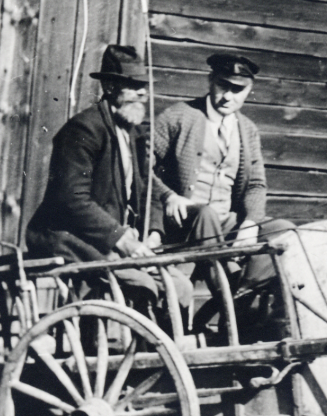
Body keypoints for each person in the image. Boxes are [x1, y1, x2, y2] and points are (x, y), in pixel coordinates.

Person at [25, 45, 191, 312]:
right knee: (141, 285)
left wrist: (154, 233)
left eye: (143, 85)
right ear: (110, 86)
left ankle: (161, 350)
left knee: (182, 288)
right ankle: (117, 348)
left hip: (115, 241)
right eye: (132, 84)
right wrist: (122, 239)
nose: (142, 92)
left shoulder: (134, 134)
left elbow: (148, 189)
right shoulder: (84, 130)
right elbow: (72, 200)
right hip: (68, 238)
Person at [152, 53, 295, 335]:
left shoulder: (247, 130)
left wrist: (250, 223)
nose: (228, 96)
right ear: (210, 81)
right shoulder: (178, 116)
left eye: (238, 90)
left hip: (223, 223)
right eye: (223, 86)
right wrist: (169, 196)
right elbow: (142, 168)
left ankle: (239, 300)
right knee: (204, 214)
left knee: (284, 231)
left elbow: (255, 184)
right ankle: (228, 303)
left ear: (249, 90)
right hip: (182, 223)